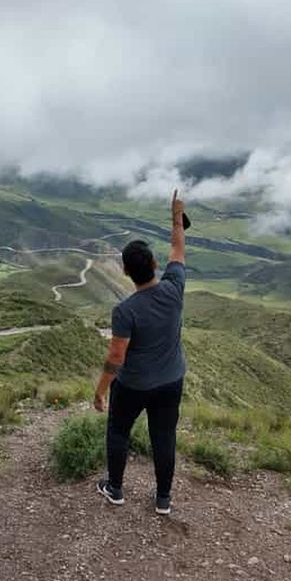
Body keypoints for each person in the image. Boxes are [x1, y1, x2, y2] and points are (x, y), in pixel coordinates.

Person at [94, 189, 187, 515]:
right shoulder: (174, 288)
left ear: (125, 272)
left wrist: (100, 392)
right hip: (171, 380)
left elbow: (116, 358)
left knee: (118, 430)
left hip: (133, 385)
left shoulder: (125, 311)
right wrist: (176, 216)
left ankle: (115, 489)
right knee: (164, 435)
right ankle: (163, 499)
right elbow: (178, 247)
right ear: (154, 264)